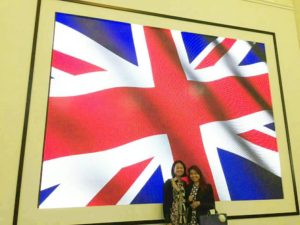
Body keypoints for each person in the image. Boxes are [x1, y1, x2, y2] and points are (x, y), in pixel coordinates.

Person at [163, 160, 188, 225]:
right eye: (177, 168)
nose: (179, 169)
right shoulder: (169, 183)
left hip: (184, 216)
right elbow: (166, 202)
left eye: (181, 168)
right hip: (173, 216)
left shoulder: (185, 184)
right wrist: (168, 221)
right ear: (173, 170)